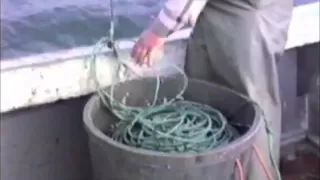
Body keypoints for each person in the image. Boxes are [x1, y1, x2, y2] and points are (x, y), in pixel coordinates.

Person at [131, 0, 293, 179]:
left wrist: (157, 32)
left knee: (252, 113)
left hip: (243, 21)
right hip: (266, 13)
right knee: (244, 104)